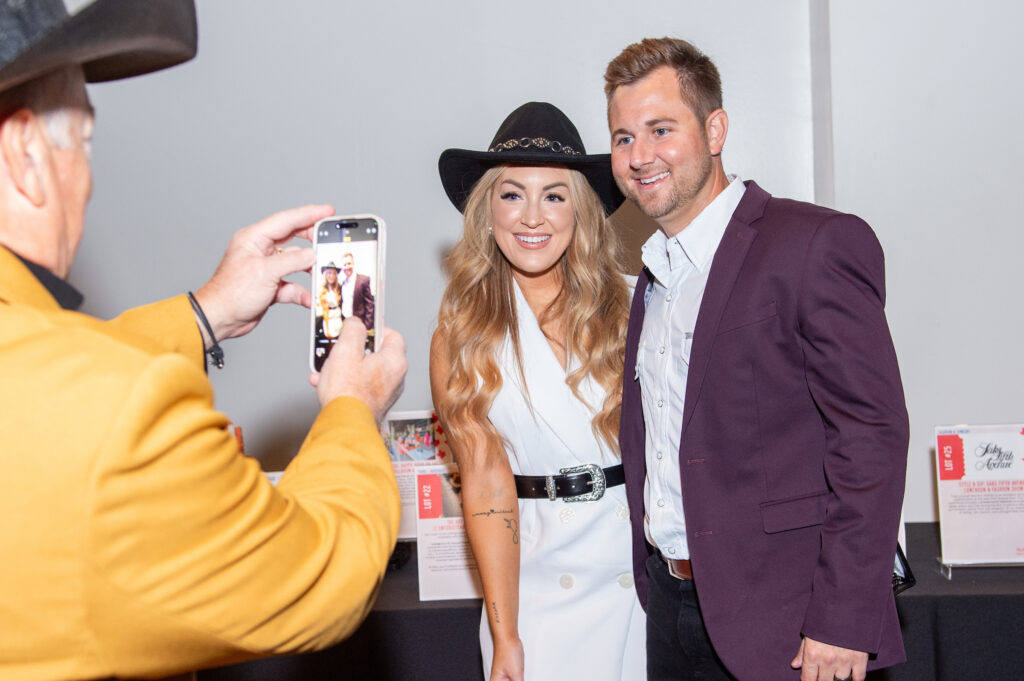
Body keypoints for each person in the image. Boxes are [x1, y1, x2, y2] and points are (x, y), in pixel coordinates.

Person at [0, 2, 407, 680]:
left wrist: (204, 311)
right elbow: (320, 578)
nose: (92, 180)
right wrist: (352, 410)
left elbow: (41, 373)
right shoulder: (120, 416)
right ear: (26, 157)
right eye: (86, 144)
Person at [604, 38, 909, 681]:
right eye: (623, 137)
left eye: (661, 129)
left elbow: (872, 436)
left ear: (715, 129)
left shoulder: (814, 244)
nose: (639, 156)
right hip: (672, 608)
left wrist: (843, 617)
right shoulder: (655, 277)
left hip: (791, 625)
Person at [431, 102, 646, 681]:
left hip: (642, 588)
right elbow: (486, 486)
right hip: (536, 596)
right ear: (487, 209)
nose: (531, 217)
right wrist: (506, 636)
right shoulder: (461, 336)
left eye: (554, 195)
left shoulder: (639, 305)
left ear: (582, 211)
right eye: (511, 194)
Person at [339, 251, 375, 331]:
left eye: (349, 263)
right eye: (344, 265)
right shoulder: (342, 283)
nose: (347, 267)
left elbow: (370, 304)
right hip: (345, 322)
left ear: (353, 264)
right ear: (342, 267)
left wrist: (367, 327)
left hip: (359, 323)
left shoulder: (363, 280)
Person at [319, 261, 344, 338]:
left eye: (334, 273)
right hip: (329, 321)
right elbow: (325, 311)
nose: (331, 276)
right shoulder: (323, 290)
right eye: (329, 273)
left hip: (338, 320)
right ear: (326, 275)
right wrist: (327, 329)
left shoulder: (340, 287)